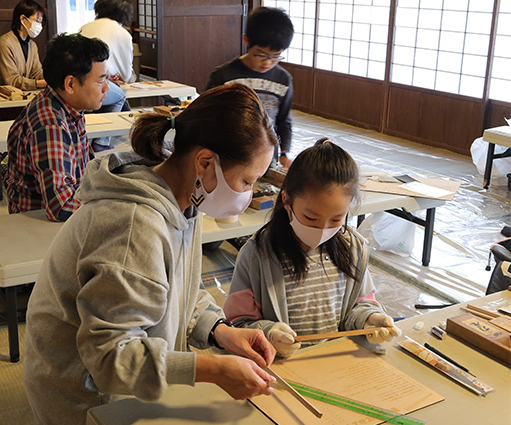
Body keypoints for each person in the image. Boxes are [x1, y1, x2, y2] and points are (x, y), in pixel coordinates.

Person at [23, 84, 280, 423]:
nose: (248, 194)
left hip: (117, 378)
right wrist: (213, 368)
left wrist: (220, 330)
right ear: (204, 163)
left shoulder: (185, 198)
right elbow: (111, 357)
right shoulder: (134, 227)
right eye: (247, 181)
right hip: (86, 393)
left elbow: (178, 292)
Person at [223, 139, 402, 358]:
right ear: (287, 200)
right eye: (310, 217)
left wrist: (370, 318)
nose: (322, 229)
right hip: (282, 369)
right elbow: (236, 324)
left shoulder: (352, 249)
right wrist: (268, 333)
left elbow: (359, 303)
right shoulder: (257, 255)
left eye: (336, 219)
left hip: (332, 361)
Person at [5, 33, 109, 222]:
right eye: (100, 81)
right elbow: (61, 207)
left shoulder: (68, 105)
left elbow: (86, 169)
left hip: (58, 218)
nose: (106, 88)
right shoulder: (50, 124)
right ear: (70, 84)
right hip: (36, 227)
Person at [206, 7, 294, 168]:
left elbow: (284, 121)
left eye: (275, 57)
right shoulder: (224, 76)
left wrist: (284, 153)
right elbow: (207, 118)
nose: (267, 62)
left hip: (266, 158)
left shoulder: (283, 79)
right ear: (246, 40)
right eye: (260, 54)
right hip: (229, 156)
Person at [79, 0, 134, 151]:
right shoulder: (122, 33)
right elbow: (126, 74)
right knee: (120, 96)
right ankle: (102, 142)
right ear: (123, 16)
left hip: (75, 83)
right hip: (92, 86)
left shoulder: (85, 27)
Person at [0, 0, 47, 92]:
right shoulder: (5, 43)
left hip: (21, 96)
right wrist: (40, 83)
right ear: (23, 19)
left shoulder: (32, 45)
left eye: (41, 23)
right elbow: (11, 80)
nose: (39, 26)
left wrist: (51, 78)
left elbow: (36, 73)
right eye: (37, 21)